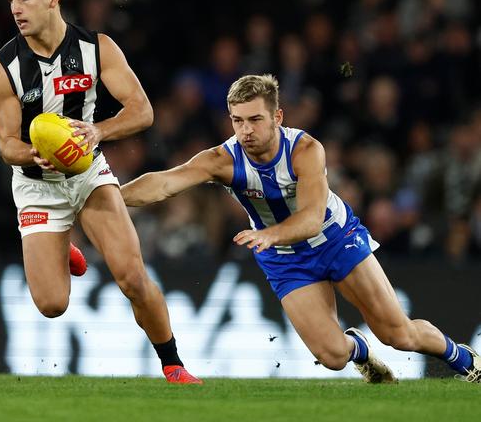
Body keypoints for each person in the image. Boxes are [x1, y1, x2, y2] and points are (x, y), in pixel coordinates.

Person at [121, 73, 481, 383]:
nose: (245, 130)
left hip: (335, 239)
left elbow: (310, 218)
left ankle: (465, 360)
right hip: (284, 258)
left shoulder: (305, 150)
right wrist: (110, 196)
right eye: (237, 121)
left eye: (255, 120)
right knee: (333, 356)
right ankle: (359, 351)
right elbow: (164, 183)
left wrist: (268, 234)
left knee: (398, 334)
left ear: (278, 116)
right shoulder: (223, 159)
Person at [0, 0, 200, 384]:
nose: (15, 9)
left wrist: (98, 132)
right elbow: (7, 144)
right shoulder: (1, 68)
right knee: (51, 305)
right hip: (37, 184)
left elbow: (142, 111)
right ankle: (63, 246)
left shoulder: (96, 49)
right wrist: (31, 154)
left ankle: (173, 364)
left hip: (86, 174)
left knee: (132, 277)